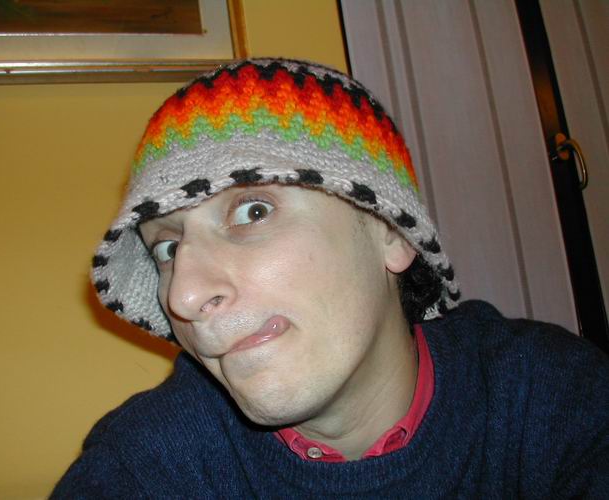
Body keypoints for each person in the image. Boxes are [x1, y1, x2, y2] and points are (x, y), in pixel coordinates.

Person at [52, 59, 609, 498]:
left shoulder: (550, 397)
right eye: (168, 248)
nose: (185, 294)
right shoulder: (149, 461)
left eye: (253, 211)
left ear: (390, 232)